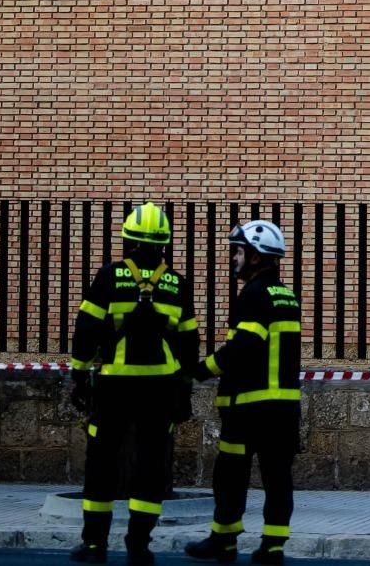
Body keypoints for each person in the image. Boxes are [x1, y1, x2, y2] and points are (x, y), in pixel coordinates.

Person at [68, 201, 199, 564]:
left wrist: (79, 376)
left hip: (114, 387)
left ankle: (94, 544)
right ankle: (139, 545)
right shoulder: (177, 285)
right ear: (165, 243)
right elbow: (189, 343)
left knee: (102, 463)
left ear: (127, 239)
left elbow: (86, 329)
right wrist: (185, 392)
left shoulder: (109, 276)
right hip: (161, 389)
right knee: (151, 465)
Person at [185, 219, 303, 565]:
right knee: (278, 476)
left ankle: (223, 540)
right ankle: (274, 545)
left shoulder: (252, 295)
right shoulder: (286, 295)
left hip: (250, 408)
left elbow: (244, 347)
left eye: (238, 251)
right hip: (283, 408)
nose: (233, 258)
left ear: (255, 257)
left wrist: (202, 370)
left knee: (230, 475)